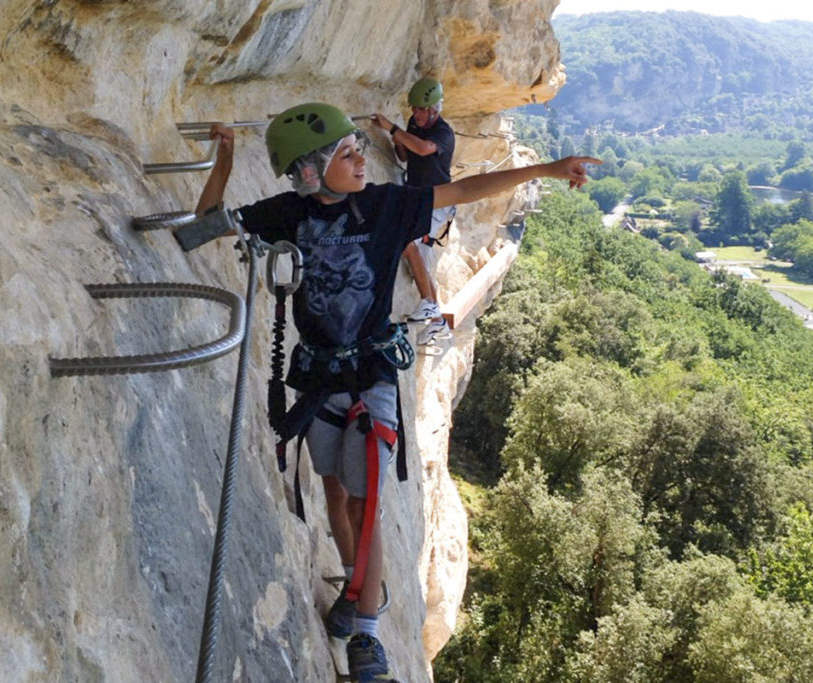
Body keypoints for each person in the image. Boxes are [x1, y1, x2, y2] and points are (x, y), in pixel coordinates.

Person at [178, 103, 598, 682]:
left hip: (371, 374)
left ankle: (369, 638)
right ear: (309, 171)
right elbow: (203, 226)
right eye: (346, 154)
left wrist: (546, 170)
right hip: (320, 377)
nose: (361, 161)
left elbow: (465, 190)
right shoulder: (287, 213)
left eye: (357, 149)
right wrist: (224, 159)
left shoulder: (384, 205)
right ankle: (356, 584)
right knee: (335, 491)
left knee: (367, 498)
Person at [370, 77, 456, 346]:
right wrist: (396, 140)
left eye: (421, 110)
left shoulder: (443, 132)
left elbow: (423, 148)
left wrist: (392, 128)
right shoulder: (412, 124)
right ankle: (437, 321)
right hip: (418, 196)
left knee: (408, 241)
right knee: (417, 251)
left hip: (438, 199)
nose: (416, 114)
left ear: (434, 110)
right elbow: (406, 157)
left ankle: (430, 307)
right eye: (414, 109)